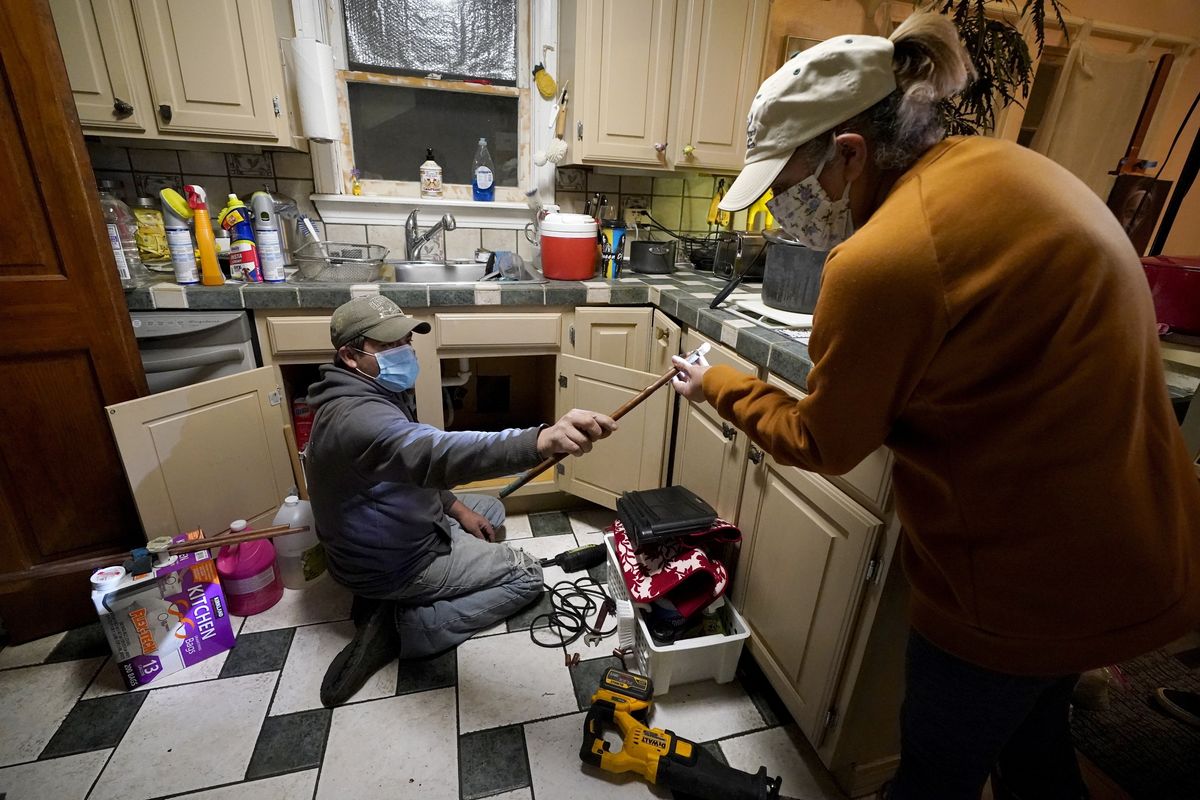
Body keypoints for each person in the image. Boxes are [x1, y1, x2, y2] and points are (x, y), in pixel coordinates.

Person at [670, 11, 1200, 800]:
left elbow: (823, 440)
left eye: (786, 185)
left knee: (933, 777)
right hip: (1137, 551)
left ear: (848, 153)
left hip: (1017, 592)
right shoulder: (1008, 169)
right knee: (1033, 747)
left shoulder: (883, 259)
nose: (783, 209)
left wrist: (715, 383)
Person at [305, 295, 616, 706]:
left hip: (388, 526)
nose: (406, 351)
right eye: (389, 345)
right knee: (527, 577)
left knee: (489, 510)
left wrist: (457, 508)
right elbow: (437, 454)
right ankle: (403, 630)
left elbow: (411, 465)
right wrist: (539, 440)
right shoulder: (357, 419)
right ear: (350, 355)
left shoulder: (368, 391)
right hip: (391, 563)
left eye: (405, 340)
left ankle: (412, 588)